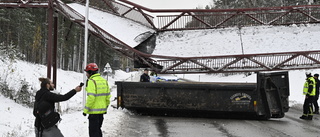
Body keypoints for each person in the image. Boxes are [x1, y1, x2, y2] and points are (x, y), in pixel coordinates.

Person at [83, 63, 111, 137]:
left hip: (93, 112)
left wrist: (85, 110)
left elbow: (91, 98)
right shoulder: (104, 81)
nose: (86, 74)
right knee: (98, 131)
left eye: (87, 72)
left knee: (93, 133)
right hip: (101, 112)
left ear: (90, 72)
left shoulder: (92, 81)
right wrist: (105, 107)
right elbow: (108, 97)